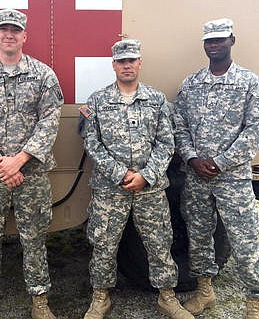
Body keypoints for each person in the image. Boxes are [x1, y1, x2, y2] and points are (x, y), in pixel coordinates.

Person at [0, 9, 63, 319]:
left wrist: (19, 161)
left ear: (24, 36)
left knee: (34, 238)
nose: (9, 34)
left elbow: (50, 121)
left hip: (30, 174)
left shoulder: (43, 75)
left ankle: (39, 300)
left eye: (15, 30)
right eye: (3, 29)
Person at [79, 39, 193, 319]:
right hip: (110, 190)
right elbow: (91, 143)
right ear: (114, 65)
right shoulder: (97, 101)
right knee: (104, 244)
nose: (126, 65)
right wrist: (120, 173)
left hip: (149, 189)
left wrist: (146, 175)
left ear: (140, 63)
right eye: (121, 61)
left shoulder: (156, 101)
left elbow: (167, 142)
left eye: (132, 60)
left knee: (159, 242)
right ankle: (101, 298)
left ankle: (167, 297)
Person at [173, 18, 259, 319]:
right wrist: (191, 159)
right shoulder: (191, 83)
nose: (214, 45)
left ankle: (254, 302)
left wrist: (219, 162)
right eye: (209, 40)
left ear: (232, 41)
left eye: (220, 39)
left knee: (244, 241)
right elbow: (179, 125)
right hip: (196, 178)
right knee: (199, 237)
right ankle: (205, 292)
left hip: (233, 179)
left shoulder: (249, 83)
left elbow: (255, 131)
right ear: (204, 45)